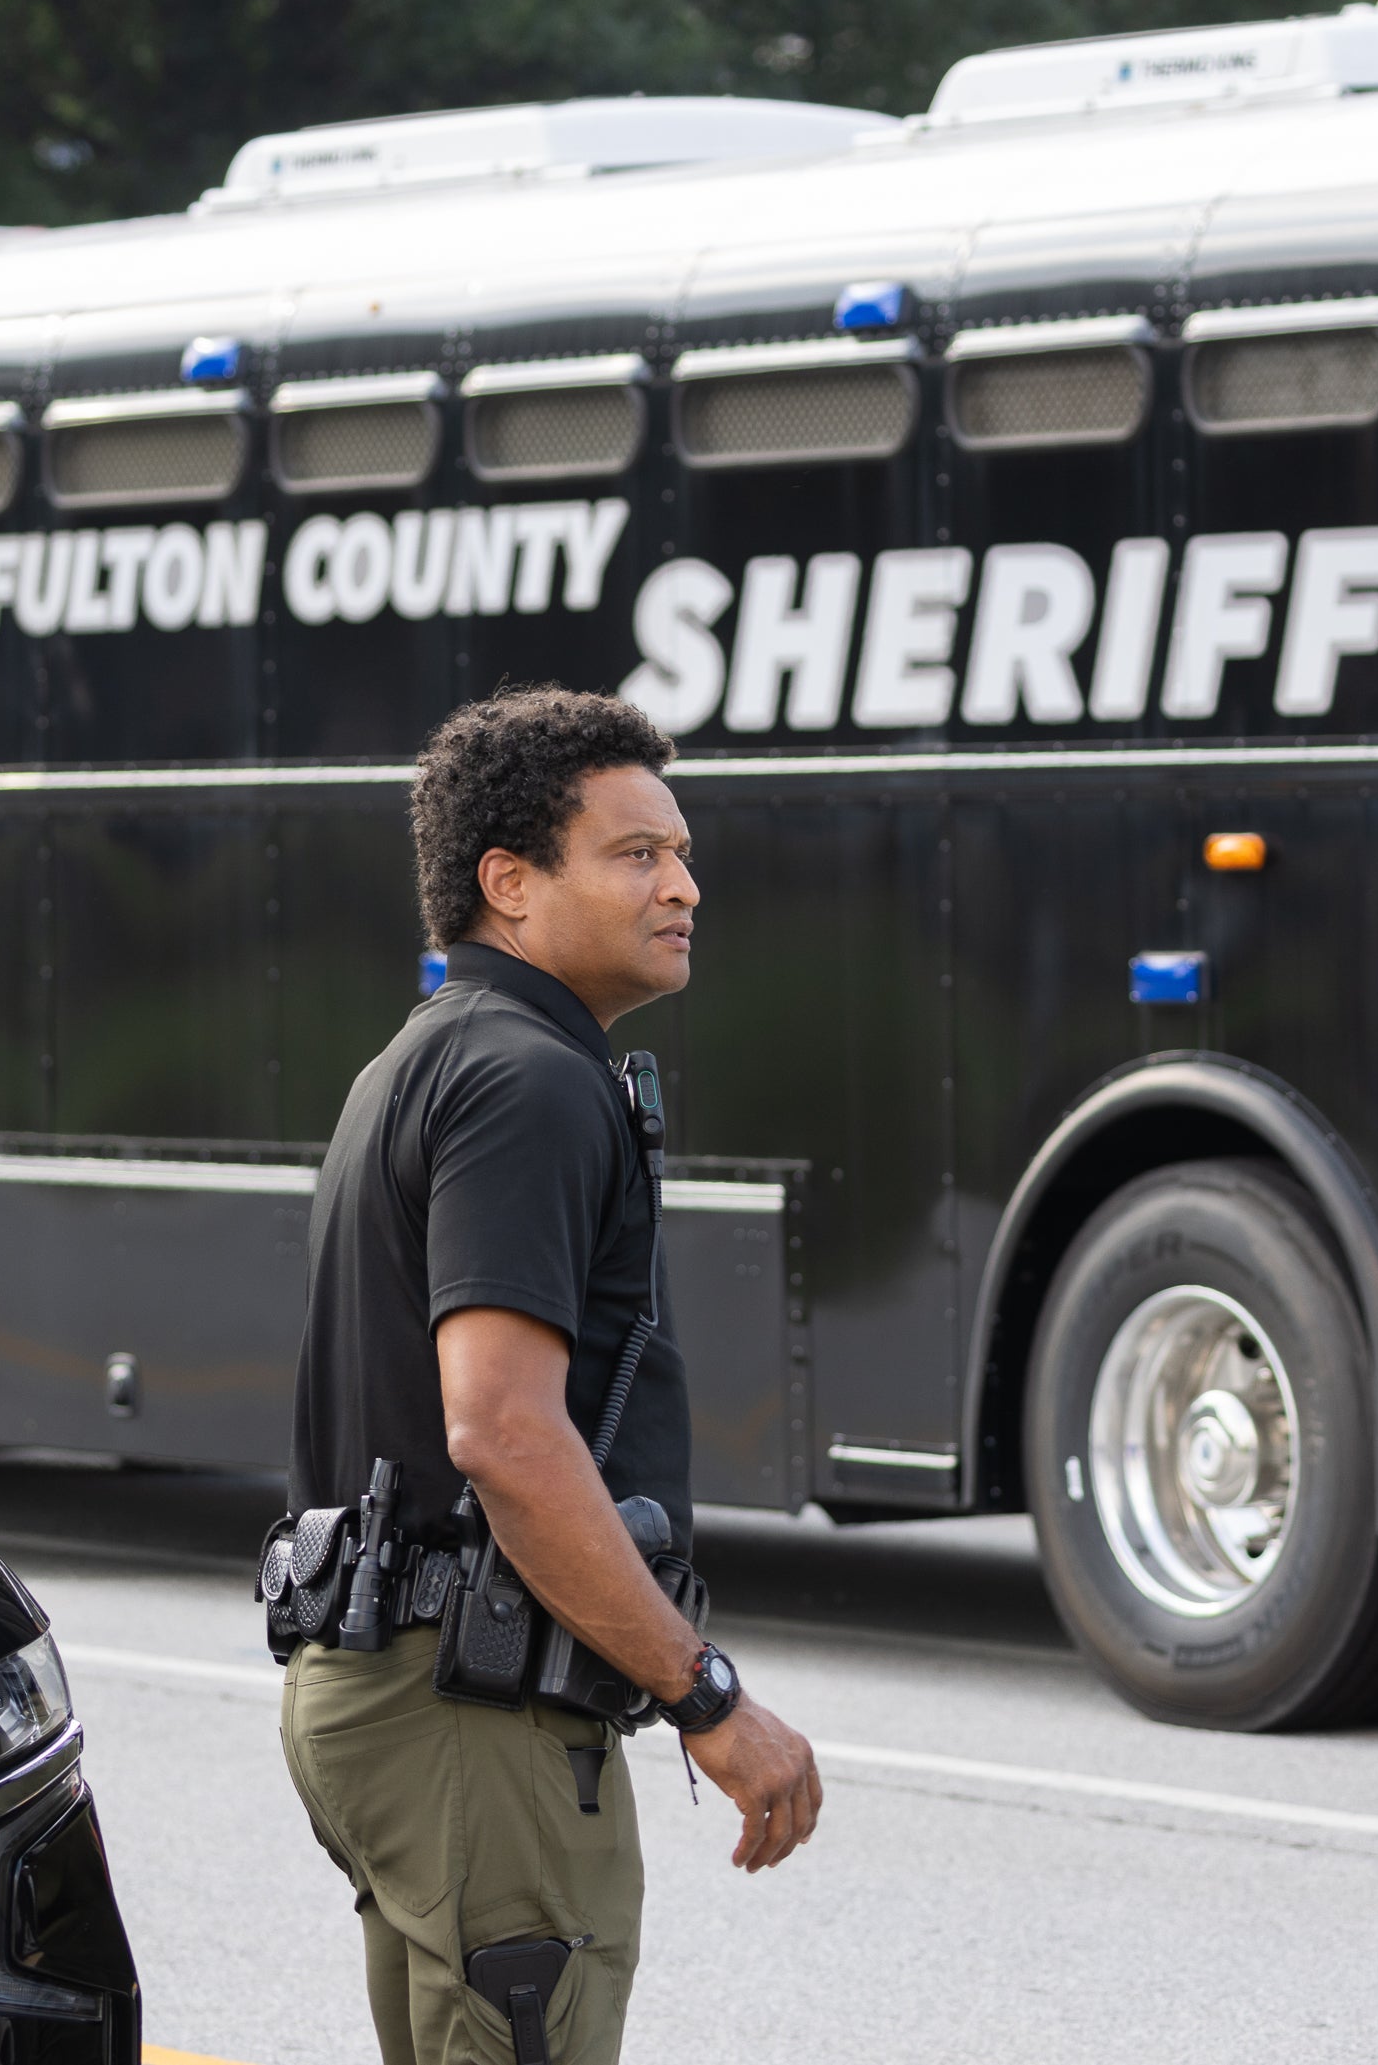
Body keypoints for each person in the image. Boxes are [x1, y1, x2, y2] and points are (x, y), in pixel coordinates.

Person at [281, 687, 823, 2065]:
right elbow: (504, 1434)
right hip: (474, 1719)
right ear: (510, 885)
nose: (683, 884)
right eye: (636, 854)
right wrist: (708, 1697)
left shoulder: (427, 1058)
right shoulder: (526, 1079)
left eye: (681, 851)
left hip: (394, 1695)